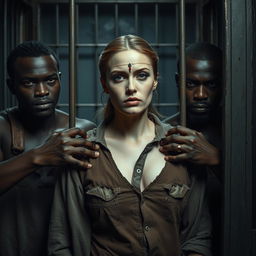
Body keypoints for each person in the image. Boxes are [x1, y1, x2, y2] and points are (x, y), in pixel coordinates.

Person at [48, 35, 211, 256]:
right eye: (119, 77)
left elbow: (198, 238)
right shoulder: (82, 153)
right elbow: (60, 242)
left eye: (142, 75)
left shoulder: (182, 146)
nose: (131, 87)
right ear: (104, 84)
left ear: (155, 80)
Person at [0, 41, 99, 256]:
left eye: (50, 80)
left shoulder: (82, 130)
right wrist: (39, 156)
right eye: (29, 83)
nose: (42, 91)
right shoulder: (2, 129)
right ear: (12, 86)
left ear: (60, 80)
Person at [160, 42, 223, 255]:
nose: (201, 94)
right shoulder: (164, 134)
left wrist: (217, 159)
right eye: (191, 84)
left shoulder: (242, 135)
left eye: (211, 84)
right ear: (178, 82)